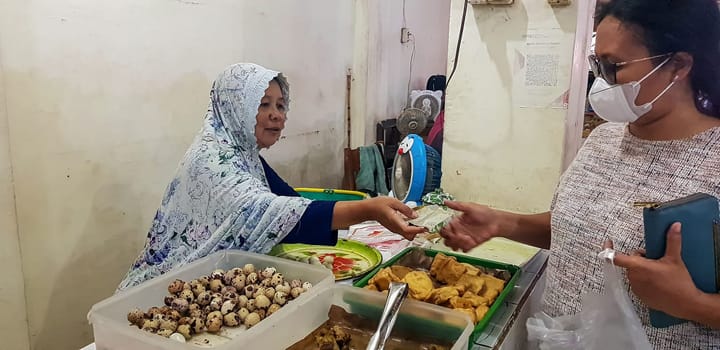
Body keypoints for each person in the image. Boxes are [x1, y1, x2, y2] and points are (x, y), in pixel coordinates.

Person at [439, 0, 720, 347]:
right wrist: (503, 224)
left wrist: (692, 303)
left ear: (678, 65)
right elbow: (577, 231)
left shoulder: (713, 159)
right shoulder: (602, 139)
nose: (602, 82)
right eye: (597, 65)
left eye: (614, 66)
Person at [118, 63, 424, 291]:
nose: (276, 114)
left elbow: (291, 201)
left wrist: (367, 212)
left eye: (280, 105)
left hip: (210, 288)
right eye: (262, 105)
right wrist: (367, 209)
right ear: (235, 108)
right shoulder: (214, 161)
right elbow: (272, 213)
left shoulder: (244, 156)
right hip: (163, 296)